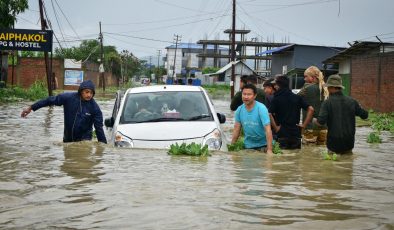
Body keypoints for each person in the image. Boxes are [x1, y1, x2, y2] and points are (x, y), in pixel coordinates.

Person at [21, 80, 107, 144]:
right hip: (67, 140)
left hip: (84, 142)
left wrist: (103, 147)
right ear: (81, 91)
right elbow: (49, 100)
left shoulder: (95, 108)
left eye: (91, 93)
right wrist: (31, 107)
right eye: (87, 92)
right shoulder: (68, 98)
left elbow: (99, 128)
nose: (89, 95)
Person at [314, 74, 368, 154]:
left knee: (332, 165)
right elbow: (365, 115)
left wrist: (314, 120)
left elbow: (320, 122)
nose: (327, 89)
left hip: (333, 143)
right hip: (348, 142)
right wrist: (358, 106)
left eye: (328, 87)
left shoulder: (327, 103)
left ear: (332, 87)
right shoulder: (352, 101)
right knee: (347, 164)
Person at [269, 75, 314, 149]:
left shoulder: (276, 99)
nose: (275, 87)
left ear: (279, 85)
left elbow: (269, 113)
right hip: (296, 133)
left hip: (282, 133)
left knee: (282, 159)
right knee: (295, 158)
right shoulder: (297, 97)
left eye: (275, 85)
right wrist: (304, 125)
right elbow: (311, 109)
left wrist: (276, 128)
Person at [231, 83, 273, 154]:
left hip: (263, 145)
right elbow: (236, 129)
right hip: (248, 146)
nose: (246, 97)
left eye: (249, 94)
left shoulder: (261, 108)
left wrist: (269, 149)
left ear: (255, 96)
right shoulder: (239, 110)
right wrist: (232, 146)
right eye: (244, 94)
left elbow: (268, 129)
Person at [298, 66, 329, 144]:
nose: (304, 79)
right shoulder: (326, 88)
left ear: (313, 77)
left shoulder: (306, 87)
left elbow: (295, 99)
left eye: (306, 77)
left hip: (309, 127)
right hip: (324, 127)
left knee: (308, 153)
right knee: (321, 152)